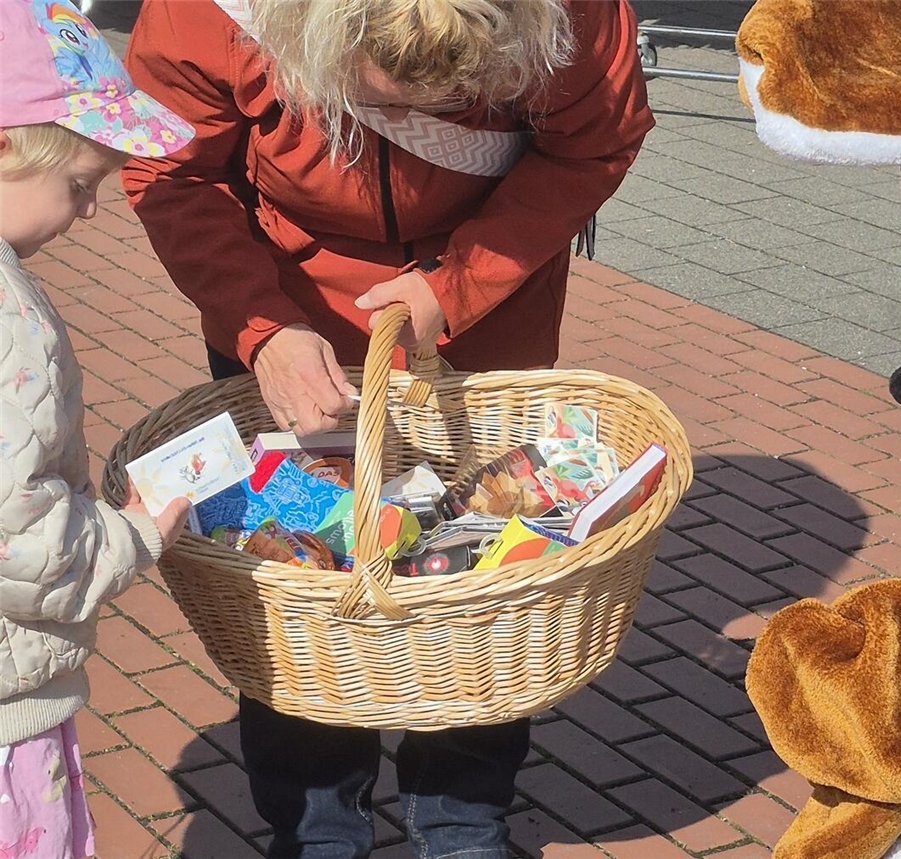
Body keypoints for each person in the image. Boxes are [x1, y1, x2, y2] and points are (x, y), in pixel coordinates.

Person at [121, 0, 653, 856]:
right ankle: (316, 818)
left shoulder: (577, 14)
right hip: (283, 304)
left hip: (484, 304)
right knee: (300, 583)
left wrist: (460, 284)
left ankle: (463, 810)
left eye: (454, 100)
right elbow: (173, 167)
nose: (410, 121)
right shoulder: (207, 14)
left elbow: (593, 139)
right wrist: (257, 326)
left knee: (485, 580)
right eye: (386, 98)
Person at [0, 2, 195, 857]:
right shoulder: (10, 320)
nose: (86, 213)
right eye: (80, 185)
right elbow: (17, 531)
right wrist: (134, 533)